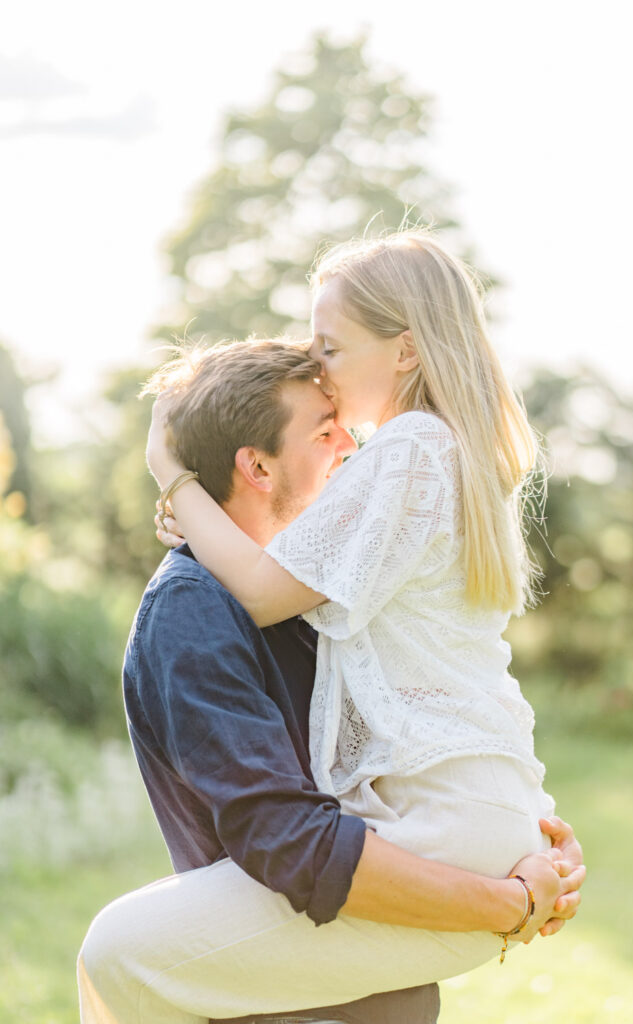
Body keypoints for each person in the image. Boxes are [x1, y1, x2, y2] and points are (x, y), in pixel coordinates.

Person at [79, 239, 585, 1022]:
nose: (322, 367)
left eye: (331, 347)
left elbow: (256, 588)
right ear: (256, 465)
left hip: (444, 821)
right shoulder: (445, 454)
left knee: (117, 951)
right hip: (472, 811)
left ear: (406, 348)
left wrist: (175, 478)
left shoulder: (412, 447)